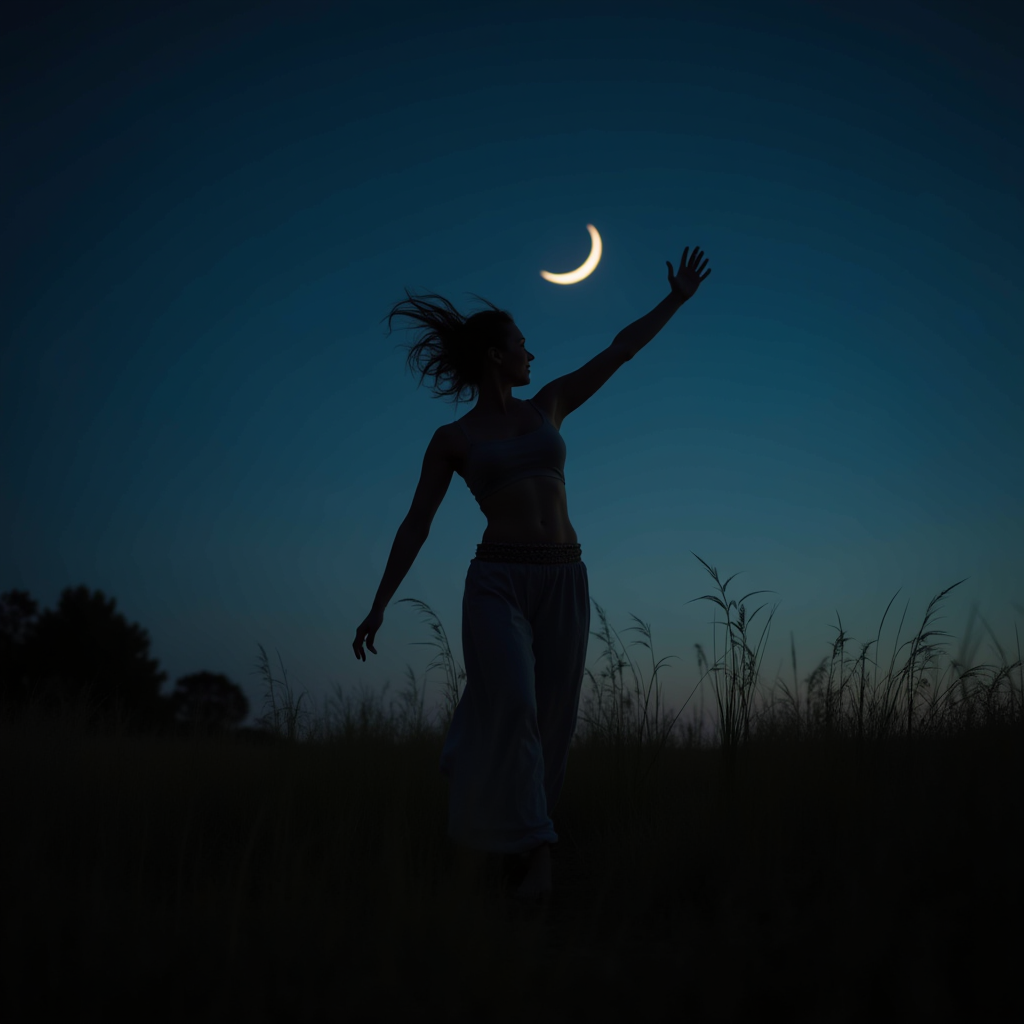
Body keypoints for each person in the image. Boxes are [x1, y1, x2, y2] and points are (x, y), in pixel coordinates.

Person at [353, 246, 712, 901]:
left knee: (550, 723)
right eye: (521, 344)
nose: (531, 353)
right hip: (497, 582)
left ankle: (511, 845)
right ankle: (537, 855)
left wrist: (676, 299)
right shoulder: (453, 439)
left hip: (563, 579)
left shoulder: (548, 404)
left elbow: (619, 349)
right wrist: (379, 604)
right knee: (514, 702)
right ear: (496, 355)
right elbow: (416, 524)